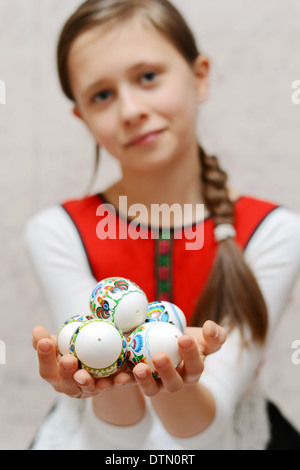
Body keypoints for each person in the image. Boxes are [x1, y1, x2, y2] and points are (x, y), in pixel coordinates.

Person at [26, 0, 300, 450]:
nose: (131, 109)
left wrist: (177, 383)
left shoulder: (273, 230)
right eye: (102, 95)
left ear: (199, 76)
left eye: (148, 77)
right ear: (83, 117)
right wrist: (109, 377)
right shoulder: (56, 230)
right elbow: (115, 438)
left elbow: (209, 431)